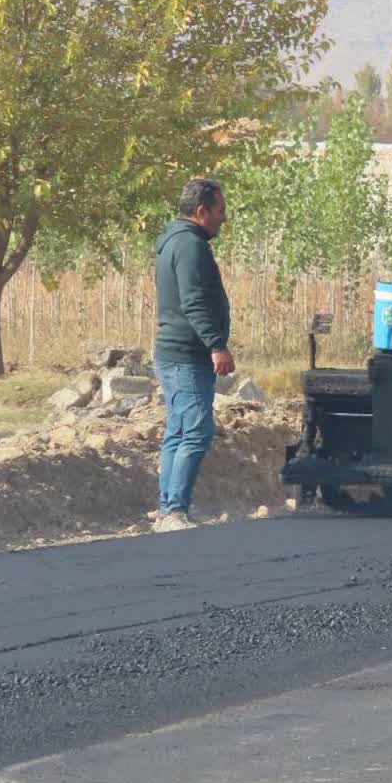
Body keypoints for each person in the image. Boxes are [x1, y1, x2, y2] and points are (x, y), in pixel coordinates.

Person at [152, 177, 235, 532]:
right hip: (187, 354)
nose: (223, 219)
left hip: (175, 352)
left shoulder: (176, 240)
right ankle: (173, 512)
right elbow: (194, 302)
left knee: (179, 430)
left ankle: (167, 508)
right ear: (201, 211)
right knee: (197, 431)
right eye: (220, 211)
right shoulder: (190, 246)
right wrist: (216, 345)